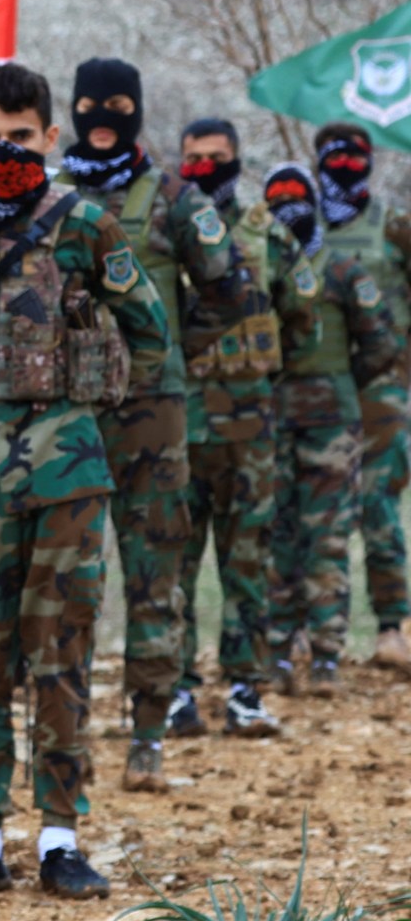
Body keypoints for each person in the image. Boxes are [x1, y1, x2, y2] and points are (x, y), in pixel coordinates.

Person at [0, 62, 170, 903]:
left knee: (61, 652)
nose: (4, 150)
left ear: (50, 137)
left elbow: (150, 332)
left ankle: (60, 837)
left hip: (64, 472)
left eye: (20, 136)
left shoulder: (85, 225)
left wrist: (92, 411)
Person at [54, 59, 251, 755]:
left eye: (117, 106)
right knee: (64, 574)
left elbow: (231, 289)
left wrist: (170, 348)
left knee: (154, 567)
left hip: (151, 411)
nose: (102, 119)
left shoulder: (174, 197)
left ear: (136, 112)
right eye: (89, 106)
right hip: (66, 411)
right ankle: (64, 728)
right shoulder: (49, 198)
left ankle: (153, 723)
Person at [166, 120, 318, 753]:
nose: (204, 166)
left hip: (248, 431)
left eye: (216, 157)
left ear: (236, 160)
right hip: (176, 430)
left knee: (246, 563)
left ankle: (244, 690)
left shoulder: (266, 235)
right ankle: (175, 690)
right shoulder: (162, 233)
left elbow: (303, 321)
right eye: (193, 157)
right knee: (173, 564)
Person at [265, 165, 402, 691]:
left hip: (332, 427)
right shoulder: (261, 268)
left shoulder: (343, 270)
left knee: (326, 539)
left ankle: (326, 654)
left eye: (296, 197)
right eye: (277, 200)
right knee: (277, 537)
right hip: (275, 421)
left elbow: (381, 342)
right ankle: (279, 651)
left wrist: (342, 380)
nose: (288, 208)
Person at [313, 123, 411, 669]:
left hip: (382, 388)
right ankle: (310, 633)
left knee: (378, 502)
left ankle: (391, 628)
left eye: (356, 156)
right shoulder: (302, 225)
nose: (345, 165)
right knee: (311, 508)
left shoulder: (395, 226)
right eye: (335, 156)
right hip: (316, 385)